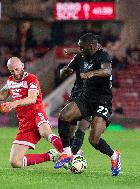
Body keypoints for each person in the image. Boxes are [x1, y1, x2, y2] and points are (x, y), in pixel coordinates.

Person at [0, 57, 63, 168]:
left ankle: (68, 152)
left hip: (36, 114)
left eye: (17, 69)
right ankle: (51, 156)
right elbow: (1, 95)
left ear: (22, 65)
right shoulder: (10, 81)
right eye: (12, 71)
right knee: (15, 162)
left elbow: (32, 98)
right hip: (25, 124)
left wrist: (14, 103)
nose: (15, 73)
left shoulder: (32, 79)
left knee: (45, 132)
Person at [55, 33, 121, 176]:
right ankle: (67, 153)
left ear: (91, 46)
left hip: (102, 101)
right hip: (85, 97)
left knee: (93, 139)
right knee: (64, 116)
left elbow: (107, 70)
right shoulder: (80, 56)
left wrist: (92, 74)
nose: (79, 49)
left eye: (82, 47)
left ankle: (114, 155)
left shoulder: (103, 56)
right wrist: (64, 71)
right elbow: (66, 71)